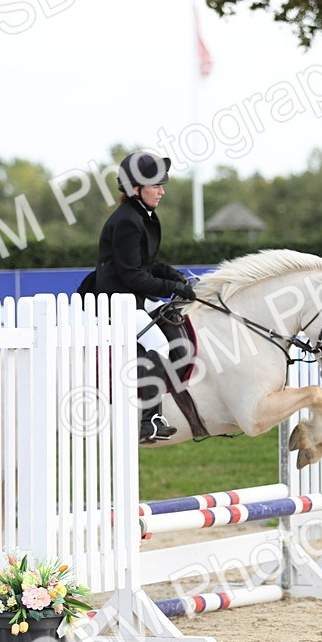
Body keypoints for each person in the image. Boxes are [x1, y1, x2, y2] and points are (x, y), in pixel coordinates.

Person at [93, 151, 195, 442]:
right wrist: (170, 287)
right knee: (158, 342)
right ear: (135, 188)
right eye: (156, 186)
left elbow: (147, 264)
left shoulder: (142, 215)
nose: (162, 191)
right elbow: (131, 275)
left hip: (133, 294)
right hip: (118, 298)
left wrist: (175, 276)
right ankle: (148, 420)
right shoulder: (127, 221)